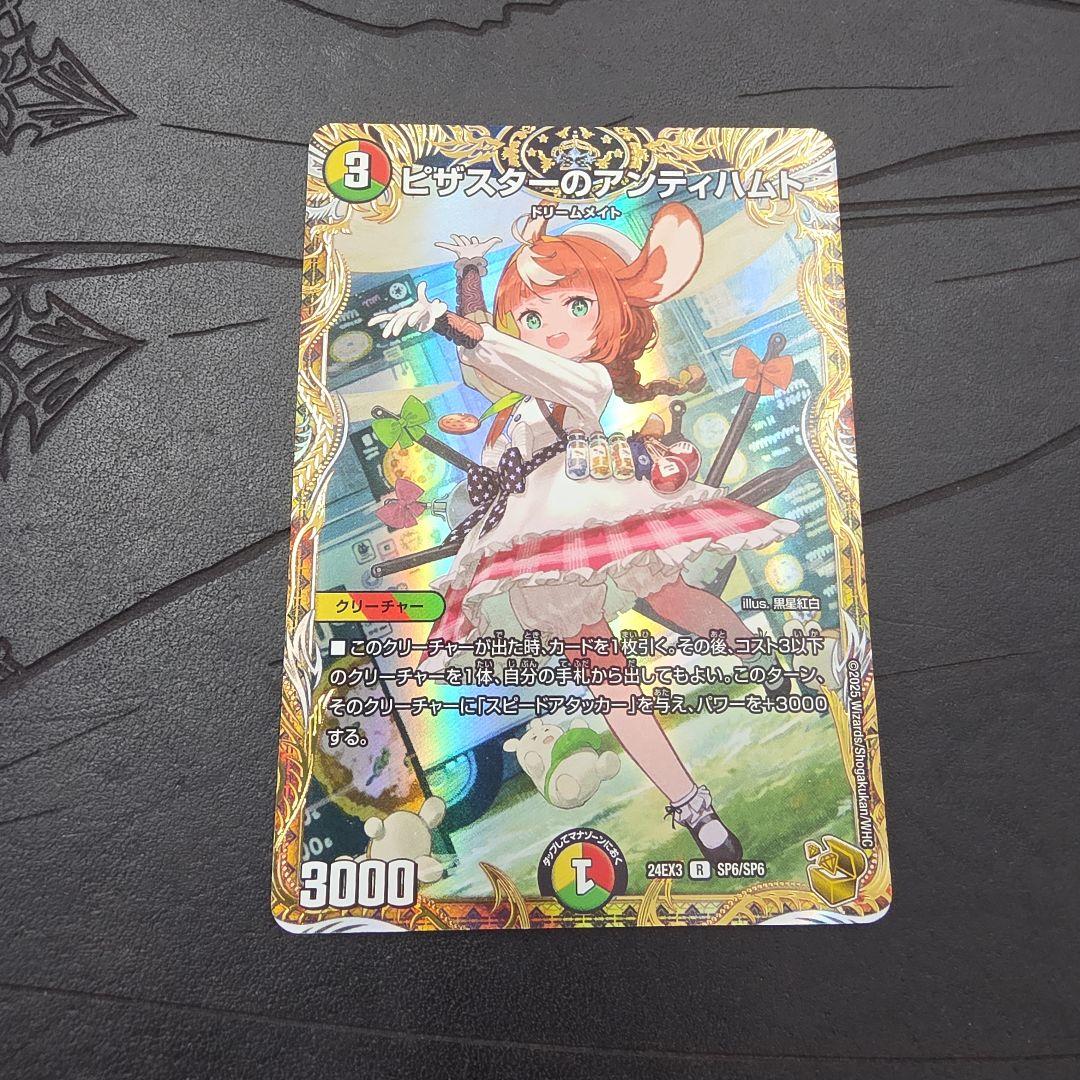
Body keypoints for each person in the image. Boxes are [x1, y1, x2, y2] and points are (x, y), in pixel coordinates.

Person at [370, 203, 799, 860]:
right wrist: (468, 275)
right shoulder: (515, 402)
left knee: (675, 598)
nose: (551, 327)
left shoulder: (588, 379)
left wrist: (452, 323)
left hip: (594, 506)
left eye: (575, 306)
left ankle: (760, 662)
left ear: (609, 312)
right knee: (605, 671)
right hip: (536, 533)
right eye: (532, 316)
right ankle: (693, 807)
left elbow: (515, 361)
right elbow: (489, 366)